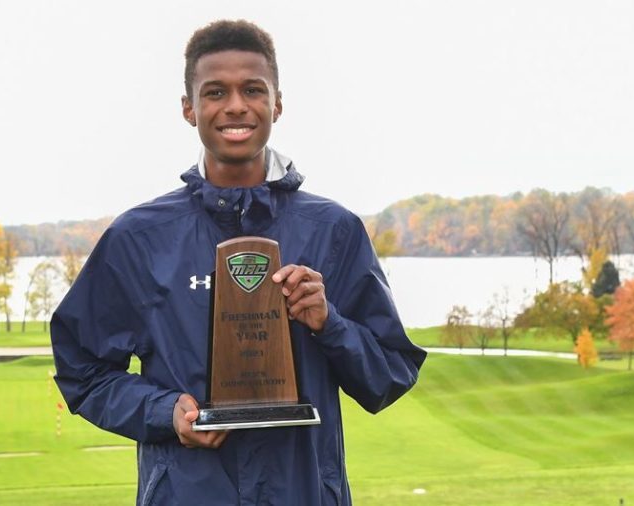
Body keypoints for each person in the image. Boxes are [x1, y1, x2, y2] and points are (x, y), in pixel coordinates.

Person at [51, 19, 426, 506]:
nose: (235, 106)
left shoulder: (333, 230)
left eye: (253, 89)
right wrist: (166, 413)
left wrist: (328, 322)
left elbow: (390, 374)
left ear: (277, 103)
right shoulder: (139, 237)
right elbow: (83, 371)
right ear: (189, 108)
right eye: (215, 92)